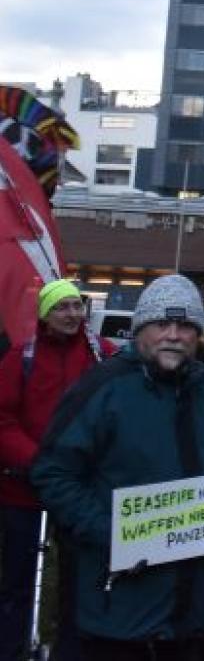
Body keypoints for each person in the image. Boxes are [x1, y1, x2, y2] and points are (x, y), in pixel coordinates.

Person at [31, 274, 204, 660]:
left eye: (185, 326)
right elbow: (53, 472)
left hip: (194, 612)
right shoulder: (102, 389)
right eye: (162, 324)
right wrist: (110, 532)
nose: (174, 335)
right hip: (118, 608)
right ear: (140, 329)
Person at [0, 278, 113, 660]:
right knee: (18, 578)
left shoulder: (101, 355)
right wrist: (34, 461)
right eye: (61, 307)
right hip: (24, 488)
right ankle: (12, 645)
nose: (71, 314)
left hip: (80, 491)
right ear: (45, 315)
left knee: (77, 579)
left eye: (76, 306)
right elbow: (3, 418)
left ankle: (70, 648)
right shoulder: (22, 356)